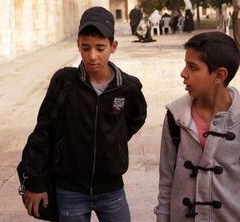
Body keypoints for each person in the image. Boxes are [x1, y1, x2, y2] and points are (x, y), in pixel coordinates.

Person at [21, 6, 147, 221]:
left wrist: (113, 139)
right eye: (85, 47)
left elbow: (137, 117)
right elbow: (43, 132)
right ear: (78, 45)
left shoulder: (128, 87)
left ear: (113, 46)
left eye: (100, 48)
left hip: (112, 190)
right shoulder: (64, 82)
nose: (92, 56)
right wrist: (35, 182)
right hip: (70, 191)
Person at [154, 31, 240, 221]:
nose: (183, 73)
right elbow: (166, 184)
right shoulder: (175, 119)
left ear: (219, 75)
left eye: (192, 67)